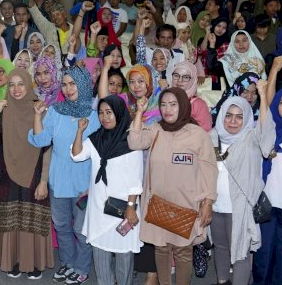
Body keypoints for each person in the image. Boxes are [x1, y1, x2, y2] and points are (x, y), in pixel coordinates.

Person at [128, 87, 217, 285]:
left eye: (173, 104)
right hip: (158, 202)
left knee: (183, 251)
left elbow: (210, 170)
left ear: (183, 106)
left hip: (186, 204)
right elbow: (134, 142)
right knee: (161, 249)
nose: (167, 109)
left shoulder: (197, 134)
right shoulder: (156, 129)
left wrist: (208, 203)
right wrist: (140, 113)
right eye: (164, 104)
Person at [28, 66, 100, 285]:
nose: (68, 89)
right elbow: (40, 141)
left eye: (73, 84)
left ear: (84, 85)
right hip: (58, 180)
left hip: (83, 182)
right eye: (65, 84)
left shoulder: (95, 116)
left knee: (81, 229)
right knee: (61, 226)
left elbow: (100, 154)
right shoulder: (56, 111)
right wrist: (38, 117)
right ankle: (67, 264)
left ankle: (81, 268)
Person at [0, 68, 53, 279]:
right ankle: (12, 260)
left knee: (31, 218)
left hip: (34, 173)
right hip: (8, 173)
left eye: (21, 84)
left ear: (28, 85)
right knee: (11, 219)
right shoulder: (4, 111)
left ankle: (34, 263)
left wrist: (43, 181)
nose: (16, 89)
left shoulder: (41, 109)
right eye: (11, 85)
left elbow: (47, 149)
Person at [70, 95, 144, 285]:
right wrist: (80, 131)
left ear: (119, 113)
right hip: (98, 209)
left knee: (124, 261)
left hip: (122, 210)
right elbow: (77, 155)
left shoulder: (131, 142)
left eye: (109, 112)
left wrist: (130, 207)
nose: (105, 117)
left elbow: (136, 180)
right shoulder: (96, 138)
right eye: (101, 113)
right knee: (101, 262)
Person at [210, 81, 274, 285]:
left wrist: (263, 97)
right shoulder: (212, 136)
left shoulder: (251, 138)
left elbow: (266, 133)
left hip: (241, 208)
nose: (233, 121)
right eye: (228, 115)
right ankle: (222, 281)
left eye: (239, 116)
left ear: (247, 118)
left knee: (241, 252)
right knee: (220, 247)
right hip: (214, 207)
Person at [253, 86, 282, 285]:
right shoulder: (270, 133)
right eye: (281, 102)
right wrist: (263, 95)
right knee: (264, 256)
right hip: (269, 206)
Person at [169, 61, 212, 132]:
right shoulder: (165, 98)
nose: (180, 80)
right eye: (176, 75)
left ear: (193, 80)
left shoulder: (198, 104)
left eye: (186, 77)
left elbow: (204, 131)